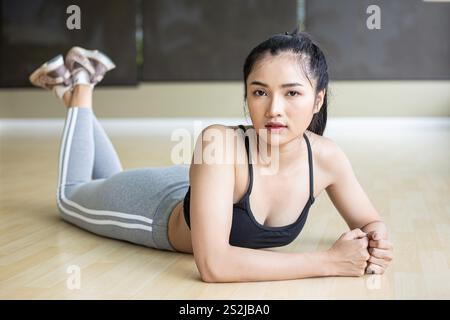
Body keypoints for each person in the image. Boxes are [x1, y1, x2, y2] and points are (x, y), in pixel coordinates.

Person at [29, 29, 393, 283]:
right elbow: (214, 265)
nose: (274, 109)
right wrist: (329, 263)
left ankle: (68, 88)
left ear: (318, 99)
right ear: (247, 94)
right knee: (72, 194)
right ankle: (81, 88)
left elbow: (370, 222)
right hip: (151, 207)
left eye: (292, 93)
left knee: (106, 180)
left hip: (205, 187)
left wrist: (376, 244)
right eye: (260, 92)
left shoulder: (327, 157)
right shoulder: (217, 141)